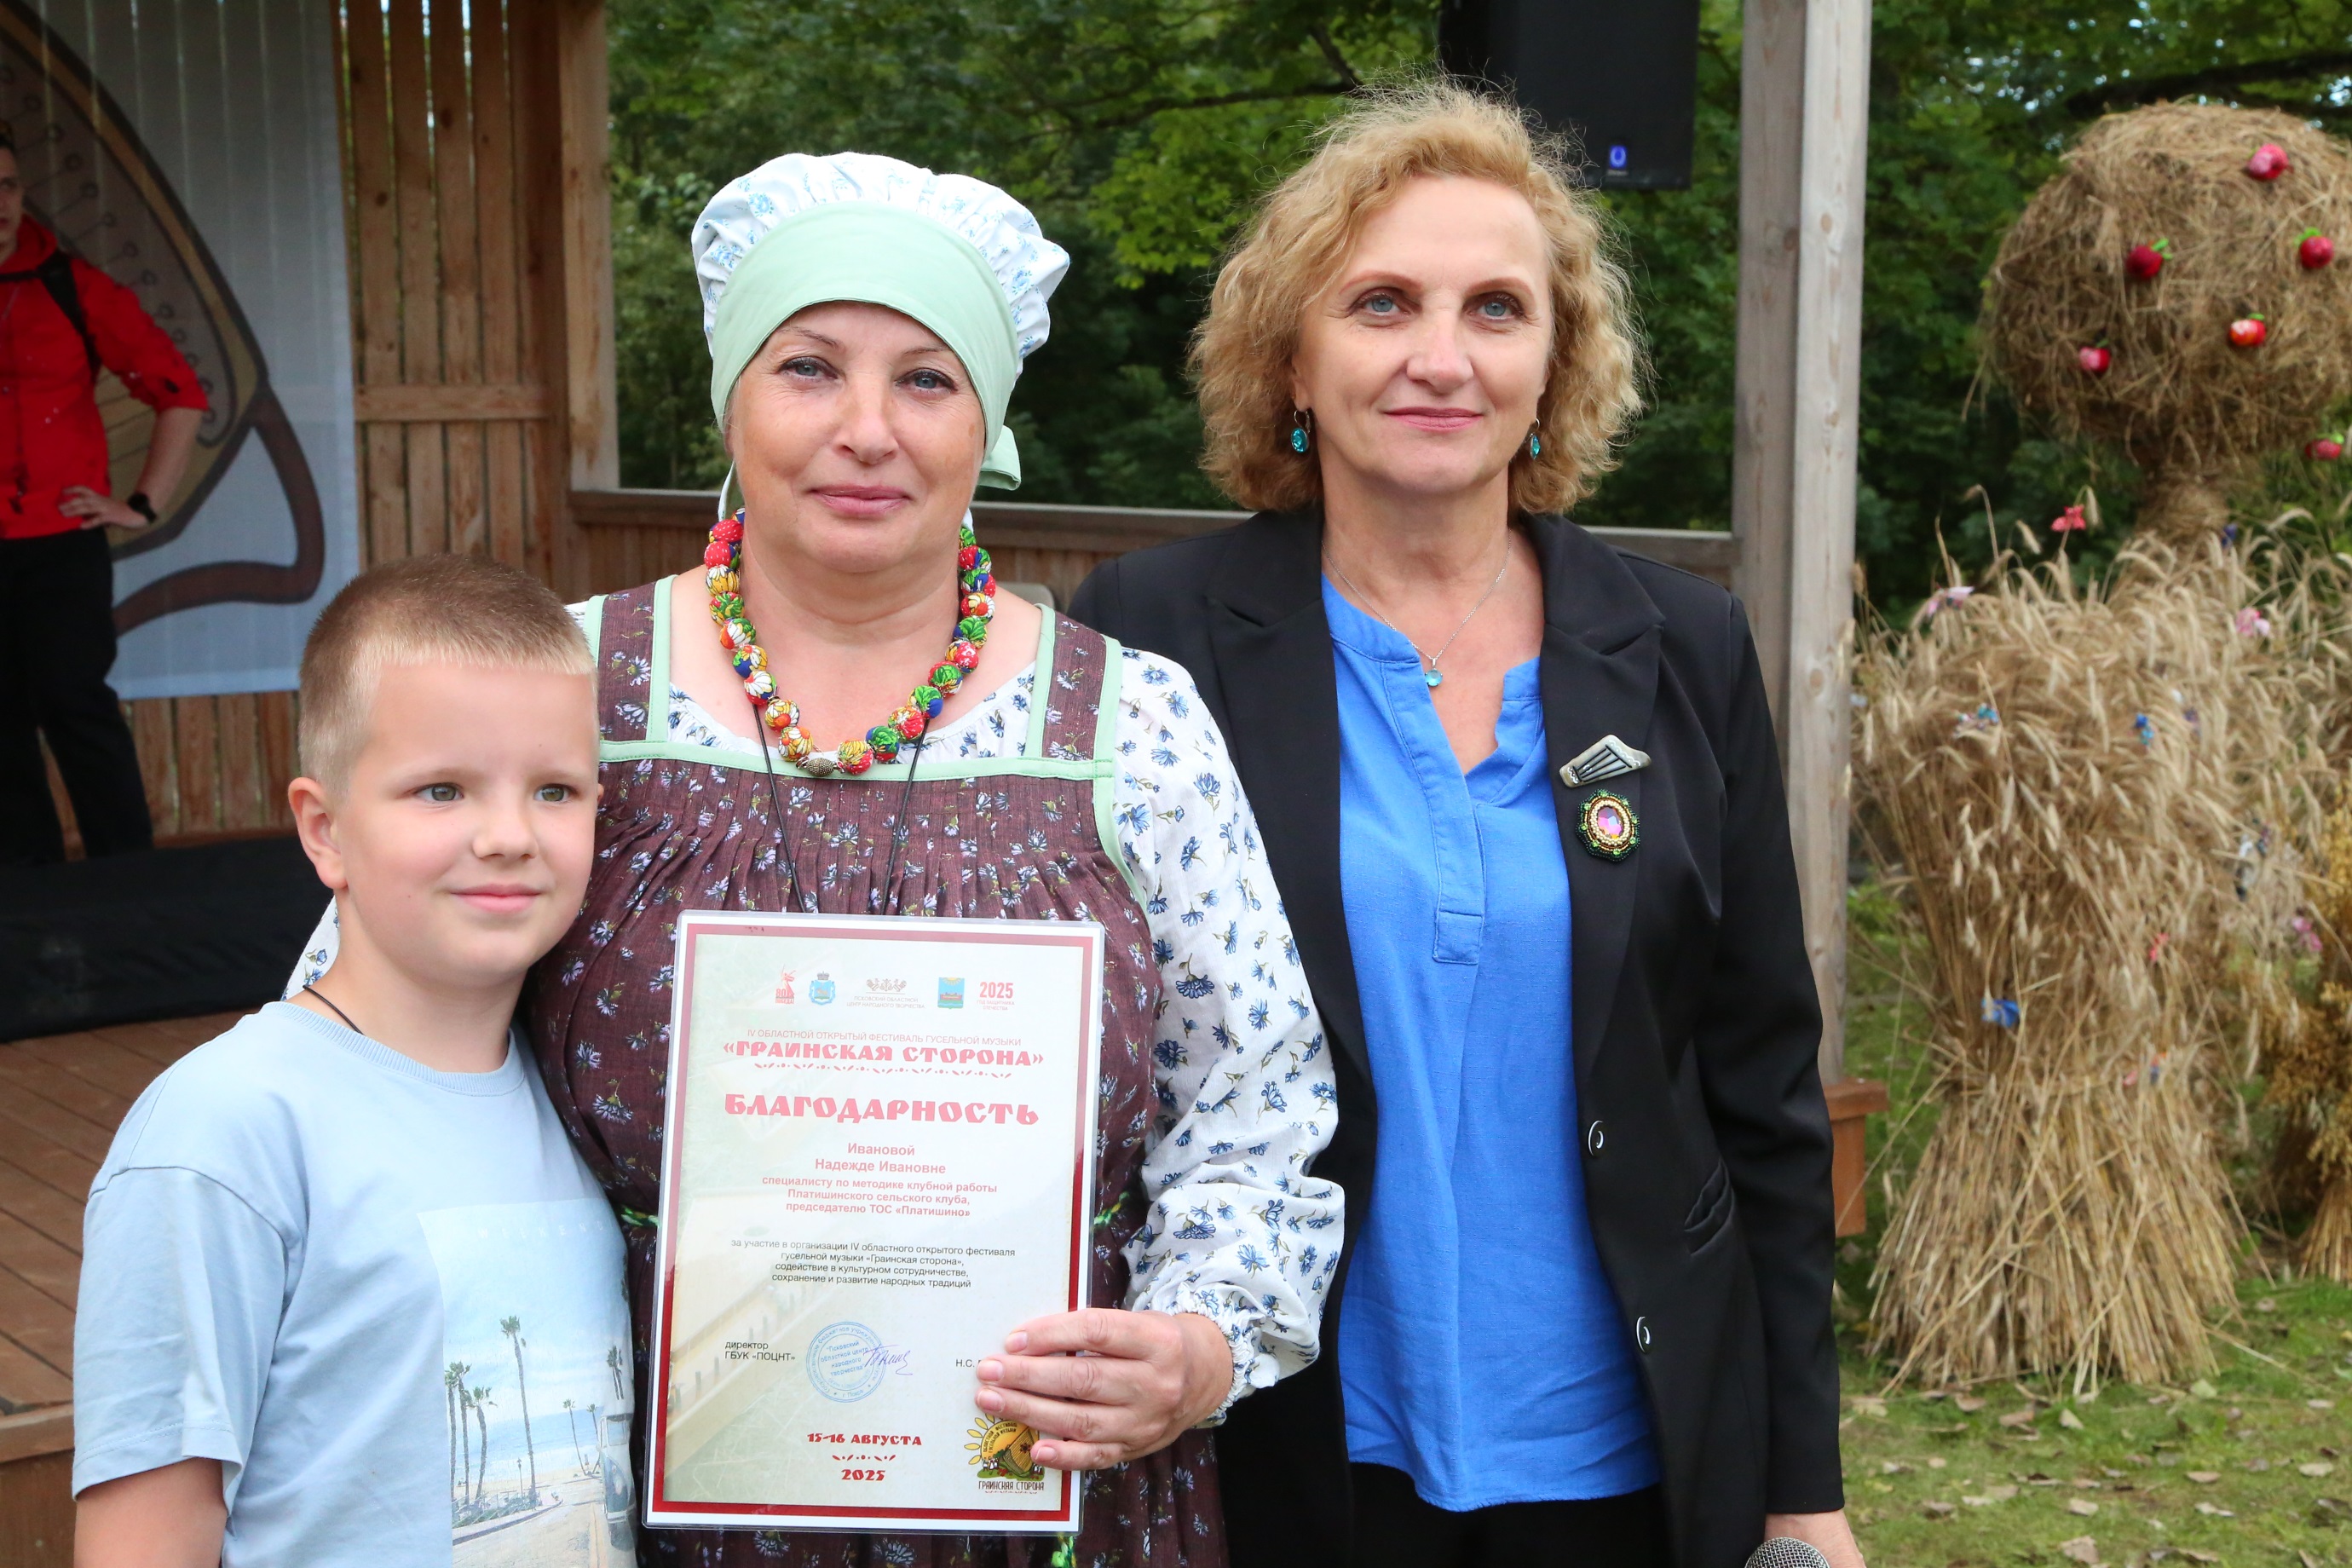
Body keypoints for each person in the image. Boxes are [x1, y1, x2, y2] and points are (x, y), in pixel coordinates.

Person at [292, 152, 1340, 1566]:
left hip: (1039, 1484)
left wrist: (1197, 1346)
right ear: (731, 398)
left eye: (927, 379)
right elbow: (355, 1056)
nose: (867, 430)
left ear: (987, 421)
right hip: (609, 1481)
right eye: (808, 368)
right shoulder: (561, 688)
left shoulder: (1131, 725)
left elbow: (1253, 1102)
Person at [1071, 81, 1859, 1568]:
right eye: (1381, 303)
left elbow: (1763, 1093)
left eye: (1496, 309)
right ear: (1291, 359)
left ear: (1555, 365)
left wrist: (1801, 1490)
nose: (1441, 357)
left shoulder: (1683, 648)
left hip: (1626, 1452)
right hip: (1284, 1437)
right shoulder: (1153, 637)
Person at [72, 555, 634, 1567]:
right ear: (324, 829)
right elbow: (144, 1539)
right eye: (440, 790)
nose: (509, 835)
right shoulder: (225, 1128)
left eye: (555, 789)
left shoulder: (583, 1104)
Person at [0, 124, 206, 865]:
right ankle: (25, 890)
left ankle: (129, 881)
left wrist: (142, 503)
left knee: (75, 704)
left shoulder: (74, 286)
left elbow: (180, 393)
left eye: (7, 186)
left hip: (60, 543)